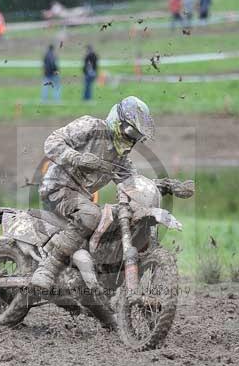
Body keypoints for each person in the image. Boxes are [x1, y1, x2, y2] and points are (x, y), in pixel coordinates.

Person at [29, 96, 155, 288]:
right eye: (130, 131)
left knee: (113, 222)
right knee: (90, 215)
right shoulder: (91, 127)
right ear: (117, 121)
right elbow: (52, 142)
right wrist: (76, 157)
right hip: (57, 188)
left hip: (81, 198)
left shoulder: (120, 159)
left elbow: (133, 183)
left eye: (137, 136)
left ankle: (96, 282)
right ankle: (48, 268)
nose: (132, 139)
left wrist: (165, 186)